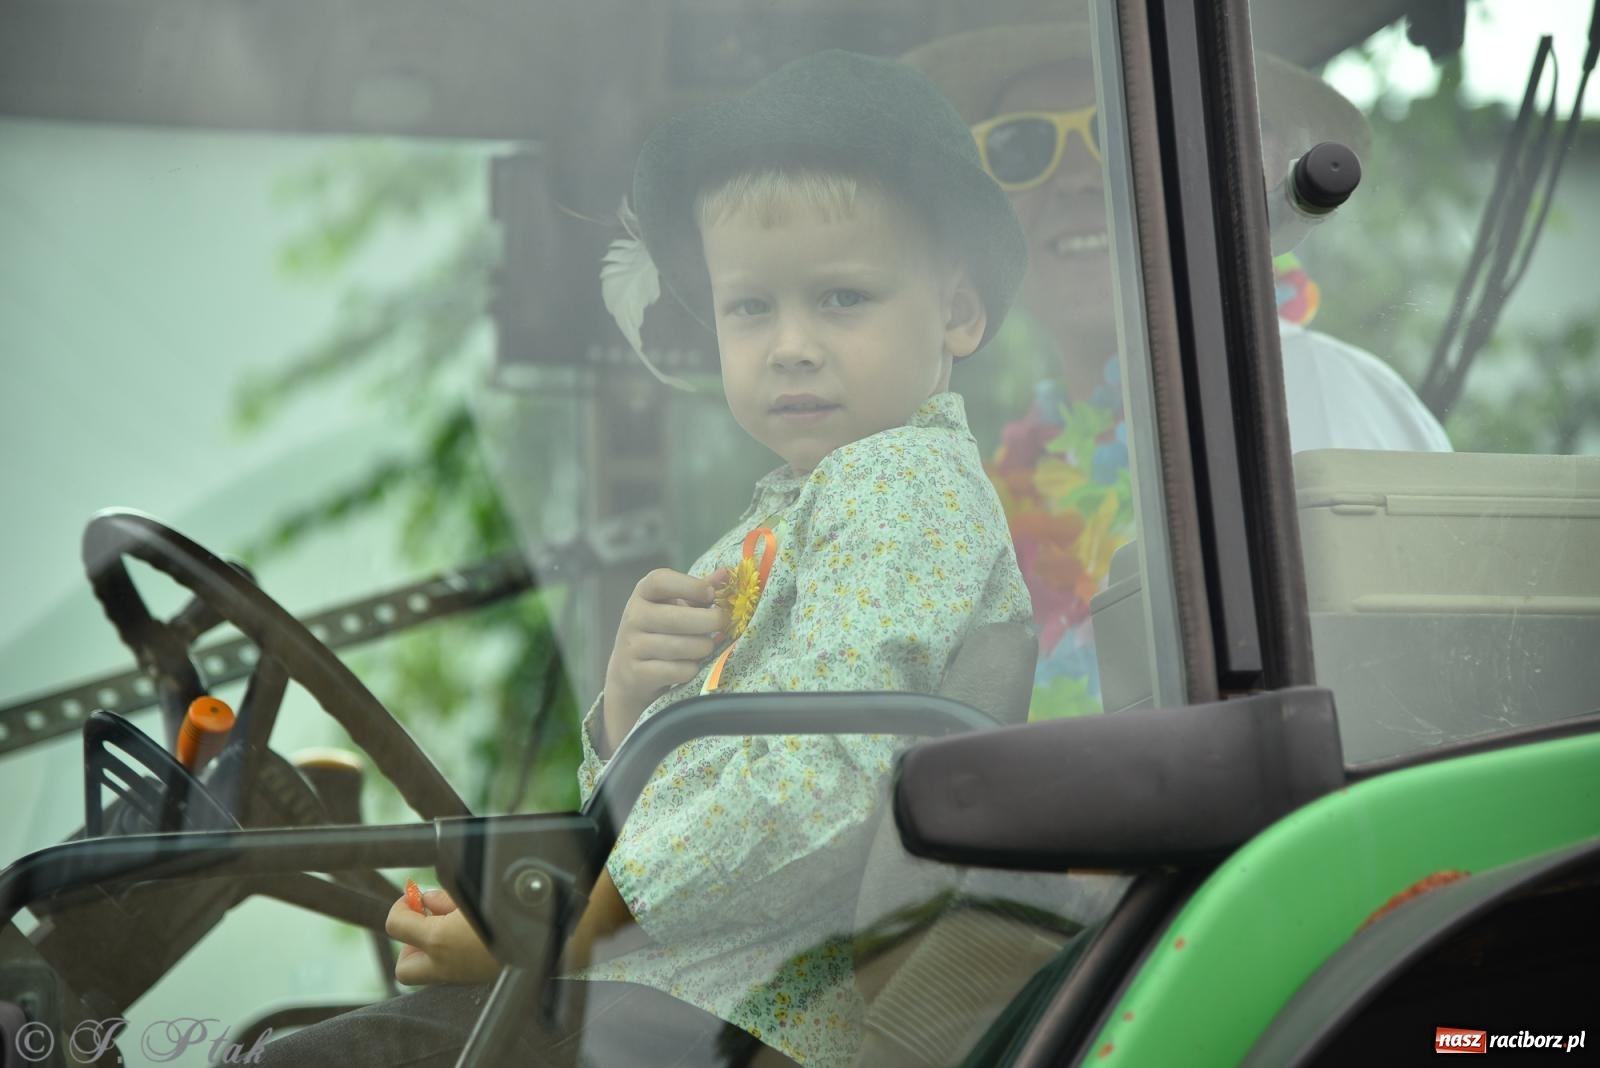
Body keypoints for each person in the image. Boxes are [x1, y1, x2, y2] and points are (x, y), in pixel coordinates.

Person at [256, 49, 1031, 1068]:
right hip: (670, 996)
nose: (790, 343)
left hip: (749, 1021)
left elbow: (818, 783)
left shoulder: (903, 489)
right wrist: (629, 706)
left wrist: (565, 923)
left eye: (842, 298)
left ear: (958, 312)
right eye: (750, 308)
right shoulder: (789, 518)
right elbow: (677, 788)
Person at [903, 23, 1452, 719]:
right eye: (1020, 146)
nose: (1075, 178)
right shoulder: (1005, 486)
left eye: (1117, 129)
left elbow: (1389, 733)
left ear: (1223, 166)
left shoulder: (1298, 390)